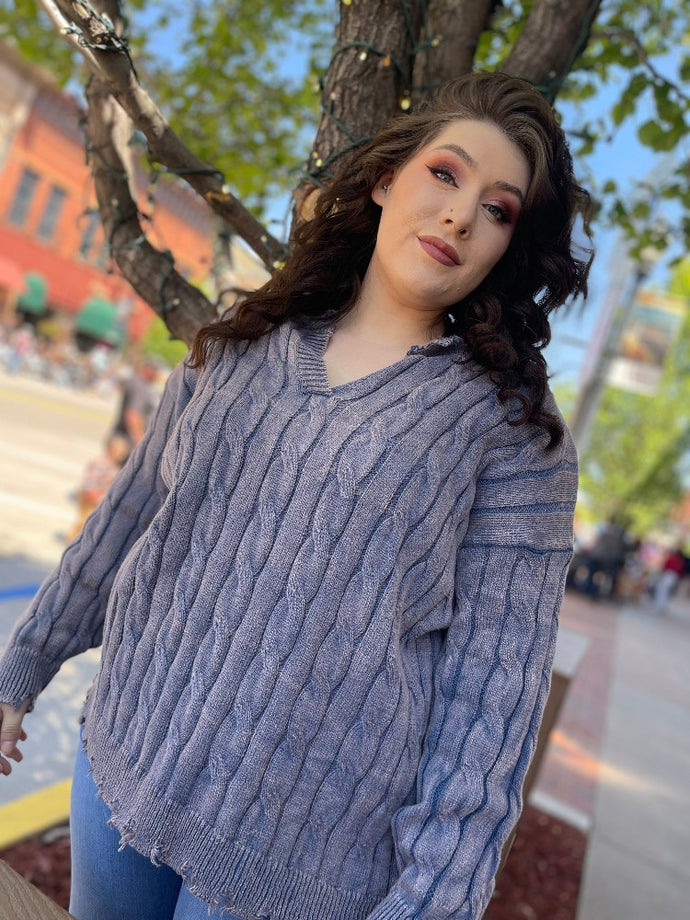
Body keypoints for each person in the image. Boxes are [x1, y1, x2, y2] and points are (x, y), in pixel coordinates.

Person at [0, 72, 592, 920]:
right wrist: (21, 667)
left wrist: (432, 902)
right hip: (120, 761)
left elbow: (490, 701)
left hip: (297, 861)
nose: (461, 216)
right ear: (386, 180)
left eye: (498, 210)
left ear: (508, 246)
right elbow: (127, 520)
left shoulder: (514, 435)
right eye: (445, 174)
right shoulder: (244, 340)